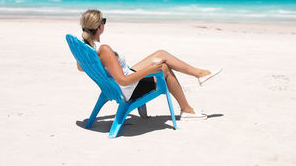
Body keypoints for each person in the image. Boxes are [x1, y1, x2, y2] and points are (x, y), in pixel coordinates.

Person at [77, 9, 222, 120]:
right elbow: (123, 80)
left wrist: (106, 69)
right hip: (128, 88)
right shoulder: (104, 49)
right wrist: (149, 70)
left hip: (115, 84)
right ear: (100, 27)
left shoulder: (87, 47)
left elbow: (80, 68)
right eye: (104, 21)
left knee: (161, 53)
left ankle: (200, 74)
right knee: (164, 67)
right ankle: (187, 109)